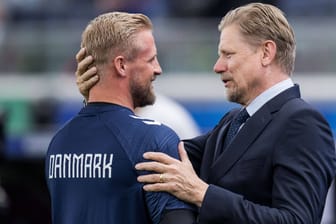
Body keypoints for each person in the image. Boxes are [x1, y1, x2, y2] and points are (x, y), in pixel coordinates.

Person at [76, 3, 336, 223]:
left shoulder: (303, 122)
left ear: (266, 53)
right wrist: (100, 97)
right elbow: (145, 155)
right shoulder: (233, 121)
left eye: (228, 54)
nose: (217, 66)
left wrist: (202, 194)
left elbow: (296, 219)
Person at [45, 12, 196, 224]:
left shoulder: (59, 143)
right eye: (151, 59)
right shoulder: (154, 140)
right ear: (121, 65)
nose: (158, 69)